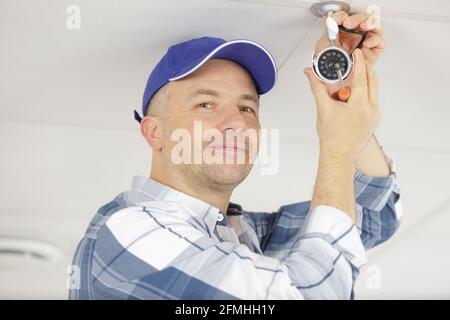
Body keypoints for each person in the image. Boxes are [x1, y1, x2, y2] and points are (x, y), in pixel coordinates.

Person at [69, 11, 402, 300]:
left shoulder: (240, 234)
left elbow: (373, 218)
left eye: (246, 107)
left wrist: (345, 98)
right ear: (154, 133)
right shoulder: (131, 232)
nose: (235, 123)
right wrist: (338, 147)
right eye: (205, 104)